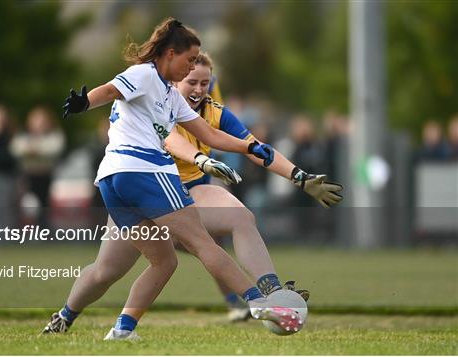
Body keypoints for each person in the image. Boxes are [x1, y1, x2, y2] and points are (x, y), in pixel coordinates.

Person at [43, 28, 342, 339]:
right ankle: (260, 303)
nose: (197, 83)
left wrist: (292, 173)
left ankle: (106, 326)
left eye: (205, 82)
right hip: (150, 177)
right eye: (190, 71)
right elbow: (148, 121)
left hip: (119, 179)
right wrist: (85, 103)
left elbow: (216, 136)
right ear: (171, 58)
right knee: (196, 245)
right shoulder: (148, 79)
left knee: (163, 261)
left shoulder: (181, 100)